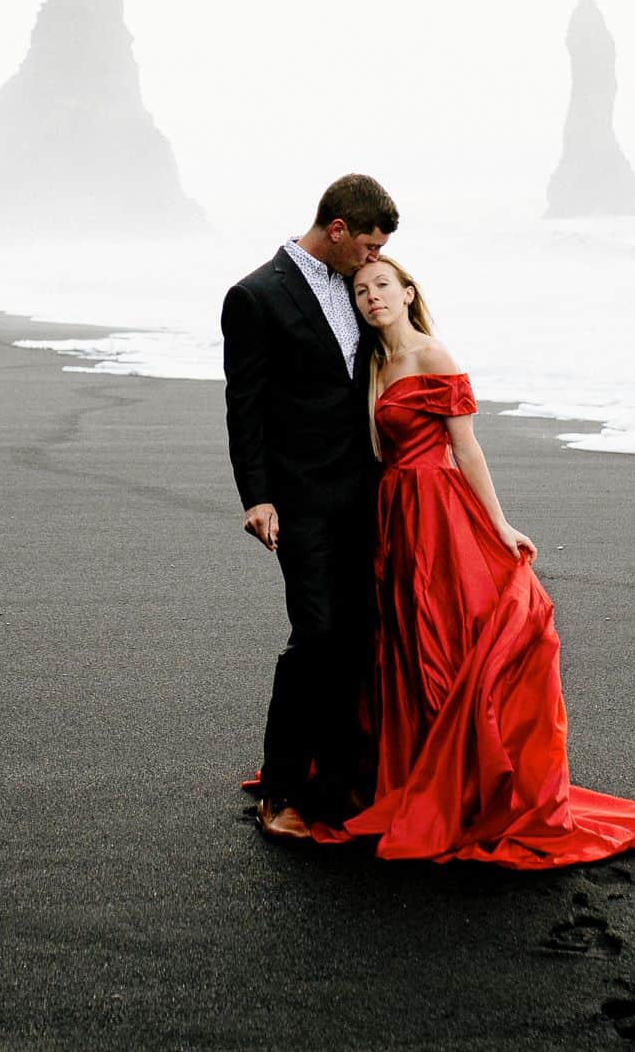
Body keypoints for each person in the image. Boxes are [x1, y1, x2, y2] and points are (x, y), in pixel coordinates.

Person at [312, 256, 635, 867]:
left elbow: (465, 446)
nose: (372, 298)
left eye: (382, 287)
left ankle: (467, 782)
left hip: (437, 513)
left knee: (445, 636)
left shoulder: (433, 355)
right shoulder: (372, 364)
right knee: (401, 641)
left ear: (407, 293)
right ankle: (413, 770)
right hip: (394, 515)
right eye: (362, 290)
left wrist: (500, 524)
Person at [221, 174, 398, 841]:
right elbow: (245, 406)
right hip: (298, 496)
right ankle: (278, 791)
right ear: (338, 230)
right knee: (317, 635)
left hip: (368, 490)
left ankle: (339, 776)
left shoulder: (360, 286)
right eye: (368, 245)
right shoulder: (255, 296)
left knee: (359, 635)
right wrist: (257, 496)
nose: (374, 260)